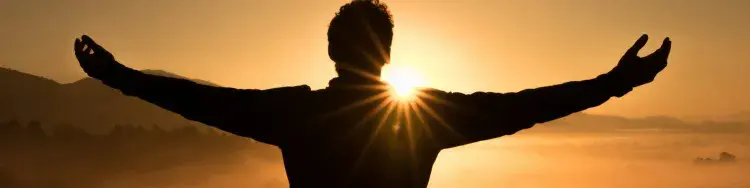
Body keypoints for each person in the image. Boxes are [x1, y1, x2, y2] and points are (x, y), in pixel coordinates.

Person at [73, 0, 671, 187]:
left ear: (333, 52)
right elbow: (525, 106)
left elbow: (203, 100)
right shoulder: (427, 118)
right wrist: (615, 83)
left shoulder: (298, 113)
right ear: (387, 56)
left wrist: (117, 76)